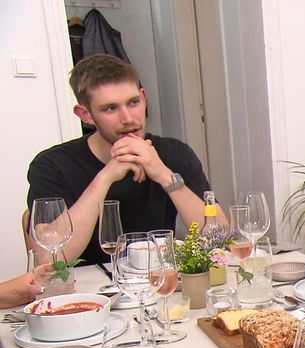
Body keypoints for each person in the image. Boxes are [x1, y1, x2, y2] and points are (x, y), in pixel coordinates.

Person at [26, 54, 224, 266]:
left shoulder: (175, 152)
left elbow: (220, 238)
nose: (128, 118)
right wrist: (105, 177)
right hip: (89, 285)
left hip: (159, 279)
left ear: (143, 98)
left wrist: (164, 174)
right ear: (85, 114)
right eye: (110, 108)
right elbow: (50, 258)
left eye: (133, 102)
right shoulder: (51, 165)